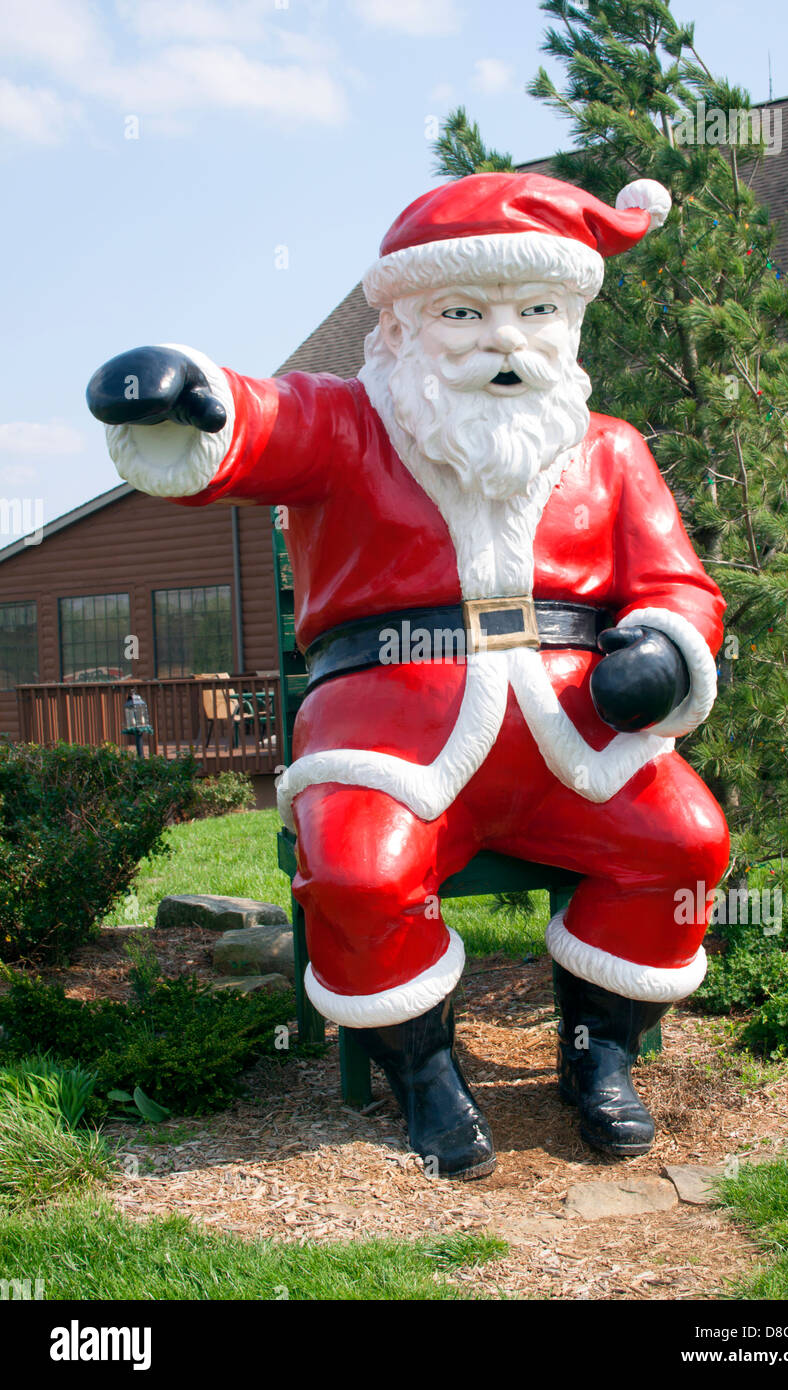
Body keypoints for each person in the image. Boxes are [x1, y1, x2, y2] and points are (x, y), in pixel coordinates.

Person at [87, 171, 730, 1180]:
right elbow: (254, 423)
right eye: (465, 313)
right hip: (389, 733)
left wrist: (660, 647)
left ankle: (595, 1050)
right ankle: (421, 1068)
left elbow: (676, 582)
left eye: (535, 313)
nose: (505, 341)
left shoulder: (610, 451)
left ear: (566, 322)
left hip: (575, 733)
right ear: (402, 321)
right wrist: (188, 393)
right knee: (358, 870)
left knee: (684, 840)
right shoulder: (345, 422)